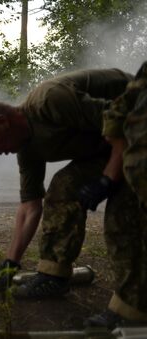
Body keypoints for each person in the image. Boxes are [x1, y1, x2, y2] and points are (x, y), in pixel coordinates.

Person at [0, 68, 133, 296]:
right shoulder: (27, 149)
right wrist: (10, 263)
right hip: (110, 145)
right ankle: (54, 276)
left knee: (122, 218)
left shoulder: (49, 101)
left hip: (136, 123)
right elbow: (30, 207)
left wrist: (108, 179)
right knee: (64, 186)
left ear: (2, 122)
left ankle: (130, 305)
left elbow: (122, 122)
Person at [82, 61, 147, 328]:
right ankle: (133, 309)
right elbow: (121, 109)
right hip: (136, 172)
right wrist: (109, 178)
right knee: (123, 223)